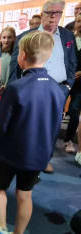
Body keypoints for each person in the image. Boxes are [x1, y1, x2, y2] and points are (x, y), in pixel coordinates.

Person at [0, 31, 65, 234]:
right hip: (39, 154)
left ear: (22, 55)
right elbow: (55, 127)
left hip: (9, 154)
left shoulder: (16, 88)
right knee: (25, 195)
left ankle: (2, 227)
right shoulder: (57, 90)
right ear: (49, 56)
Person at [8, 0, 77, 173]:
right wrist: (13, 89)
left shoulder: (68, 36)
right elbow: (14, 67)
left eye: (58, 13)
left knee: (52, 126)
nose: (54, 16)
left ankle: (45, 159)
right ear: (43, 13)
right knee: (27, 124)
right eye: (50, 12)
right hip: (31, 89)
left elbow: (72, 63)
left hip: (59, 89)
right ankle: (22, 155)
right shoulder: (26, 36)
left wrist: (68, 86)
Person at [64, 13, 81, 154]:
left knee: (74, 110)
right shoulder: (69, 38)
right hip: (65, 79)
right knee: (57, 108)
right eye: (78, 21)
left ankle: (68, 139)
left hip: (80, 84)